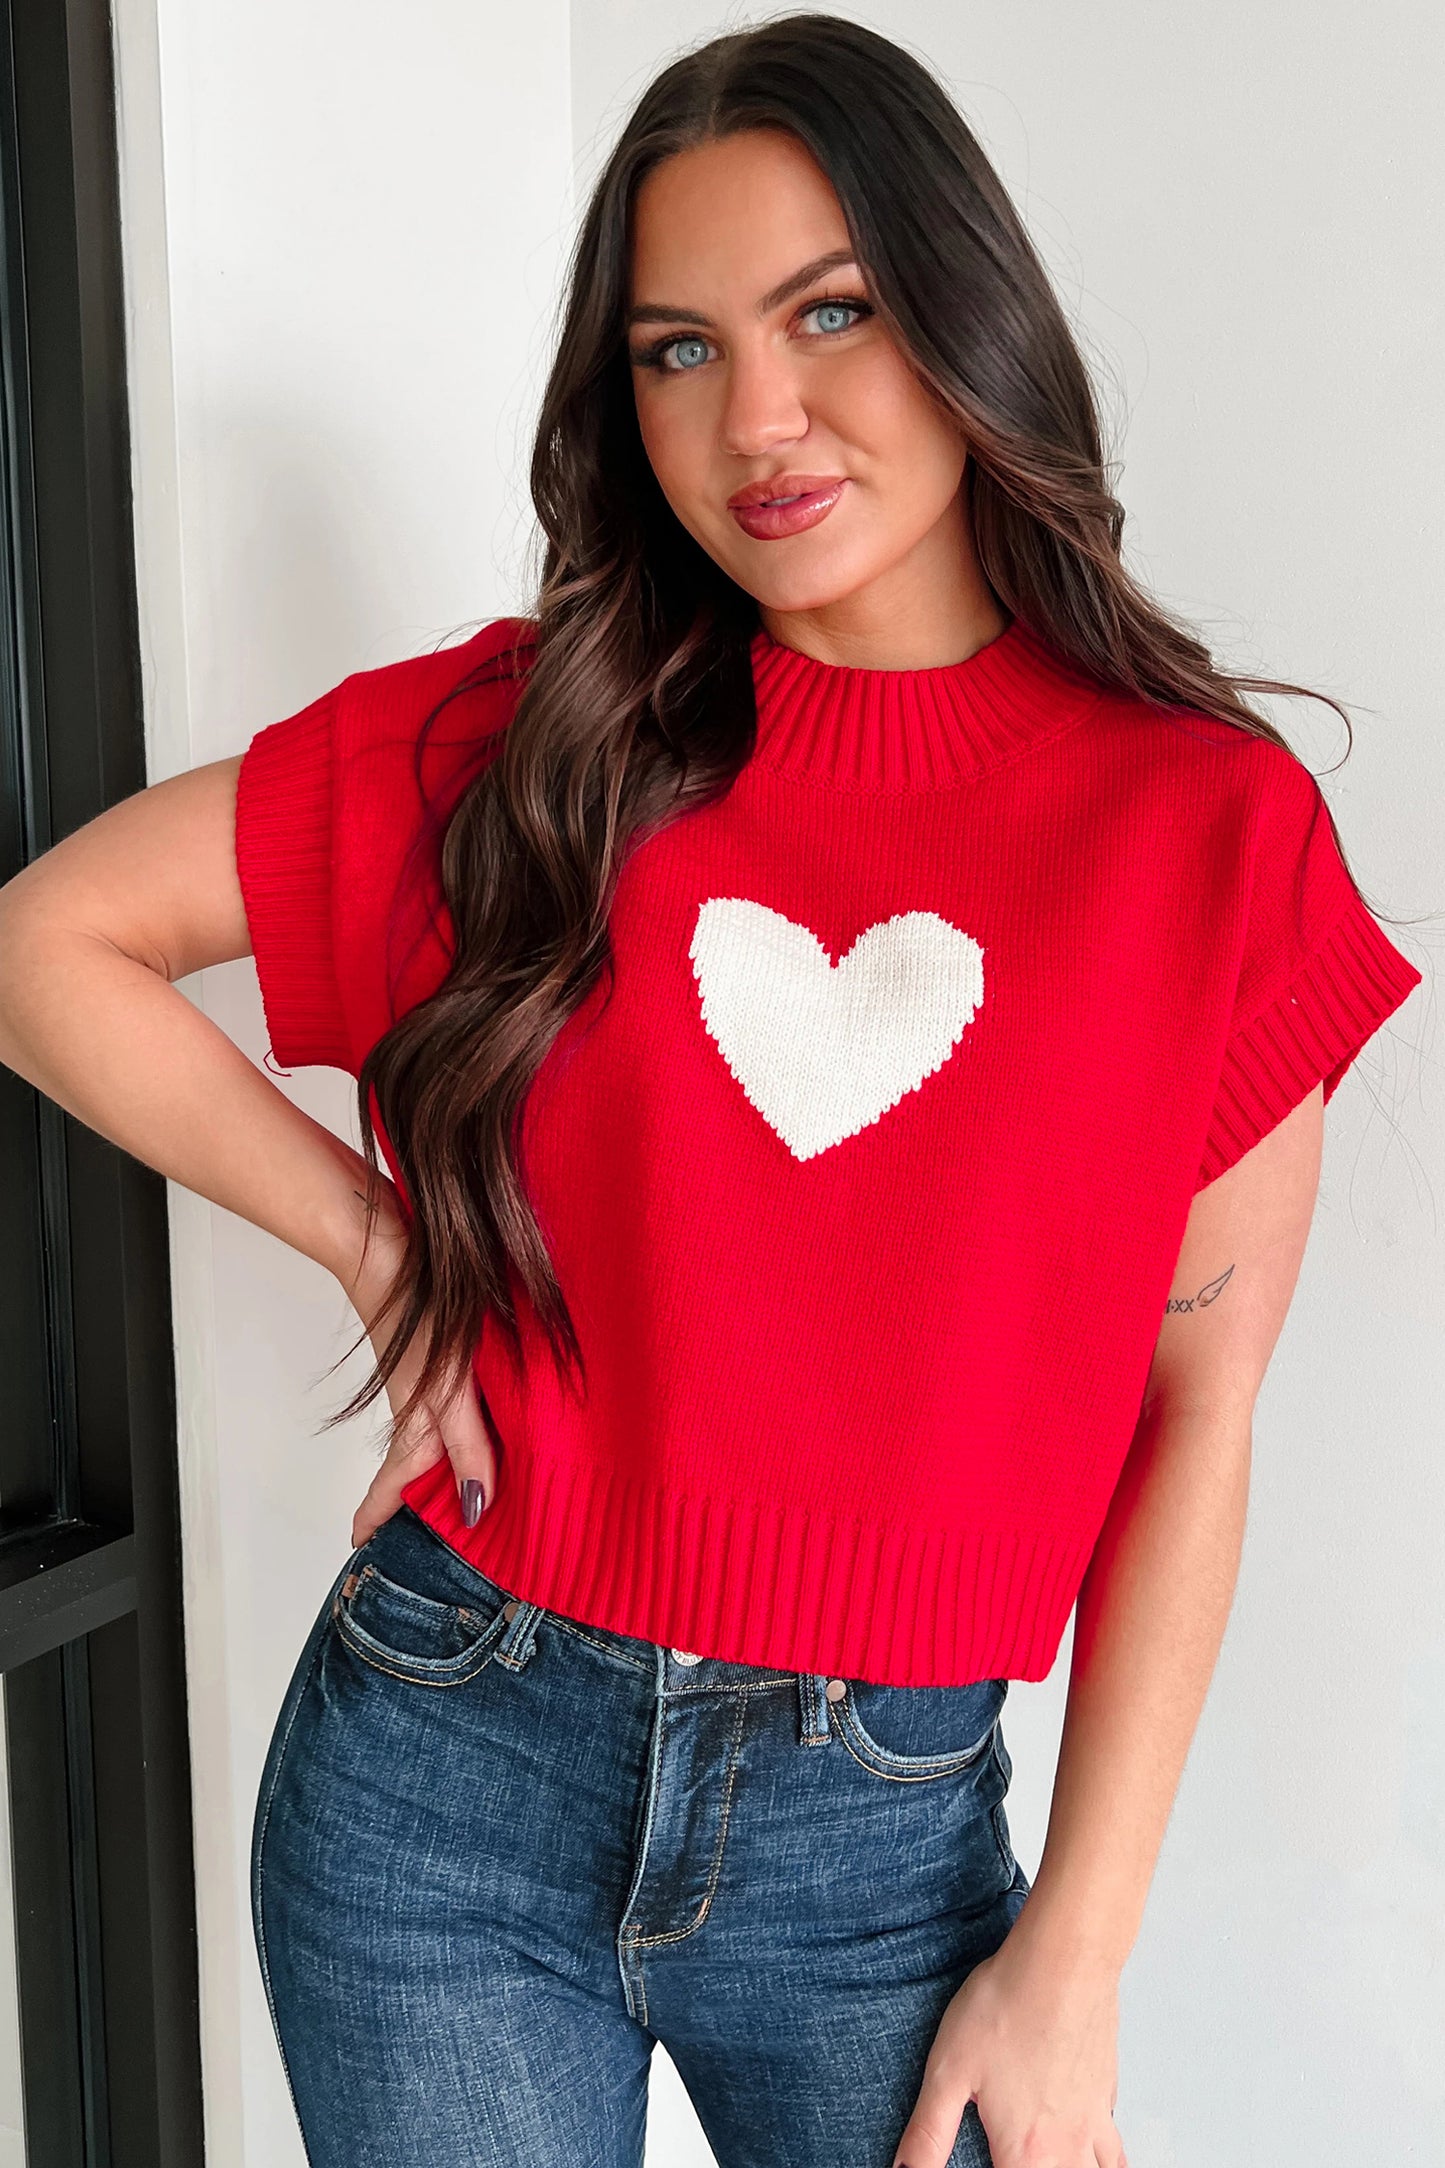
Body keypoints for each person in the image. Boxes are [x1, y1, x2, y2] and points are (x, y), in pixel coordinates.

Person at [0, 15, 1423, 2168]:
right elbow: (45, 948)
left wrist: (1079, 1953)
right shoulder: (535, 750)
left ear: (966, 311)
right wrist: (389, 1250)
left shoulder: (1204, 836)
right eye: (676, 350)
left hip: (886, 1860)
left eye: (828, 314)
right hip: (447, 1786)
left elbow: (1198, 1412)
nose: (755, 417)